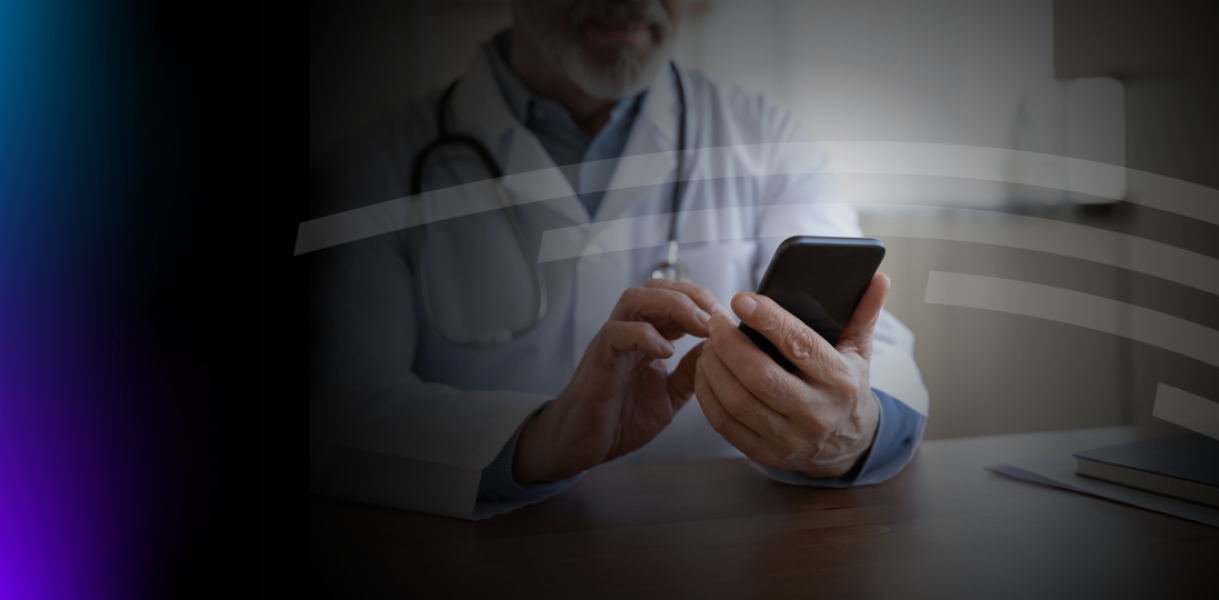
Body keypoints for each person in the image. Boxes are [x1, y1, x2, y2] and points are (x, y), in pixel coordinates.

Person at [308, 0, 929, 520]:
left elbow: (879, 359)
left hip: (723, 554)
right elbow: (335, 410)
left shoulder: (767, 138)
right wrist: (543, 439)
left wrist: (851, 426)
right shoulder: (374, 168)